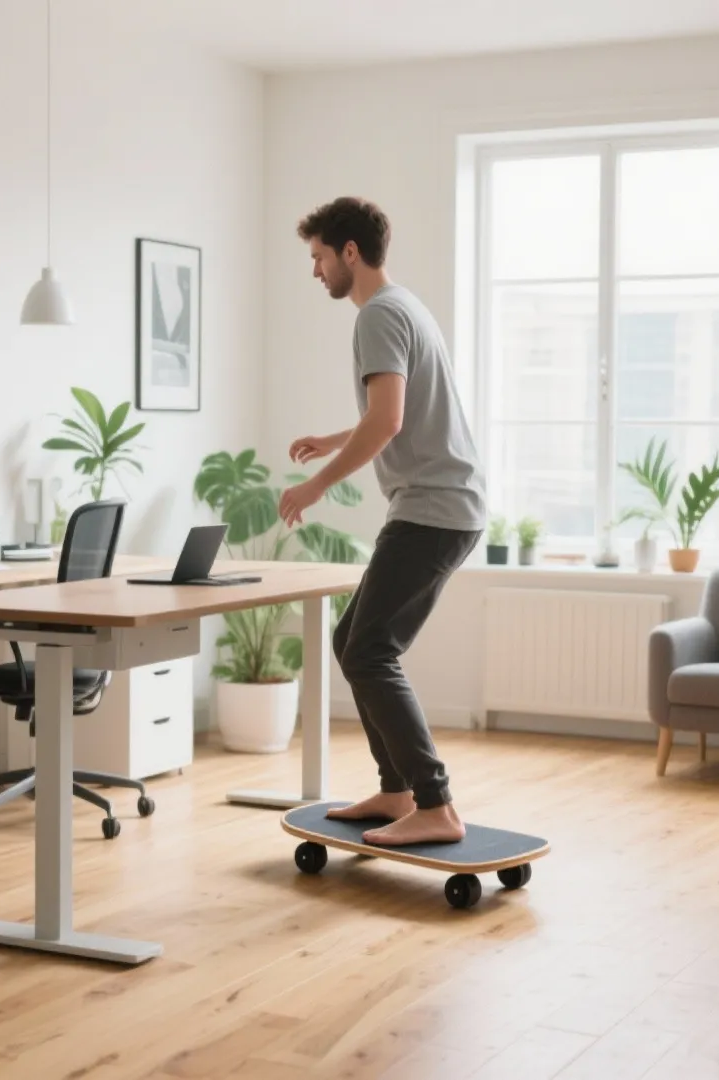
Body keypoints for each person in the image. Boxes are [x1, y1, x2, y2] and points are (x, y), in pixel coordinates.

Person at [278, 196, 486, 847]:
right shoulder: (405, 306)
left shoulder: (375, 317)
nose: (314, 271)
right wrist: (335, 439)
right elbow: (395, 408)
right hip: (447, 505)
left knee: (369, 649)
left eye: (317, 257)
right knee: (355, 643)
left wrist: (316, 482)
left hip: (432, 507)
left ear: (348, 252)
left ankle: (435, 803)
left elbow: (389, 420)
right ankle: (397, 791)